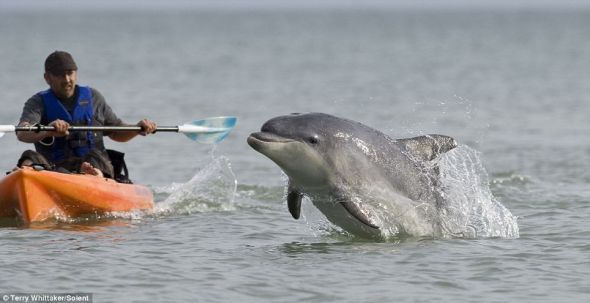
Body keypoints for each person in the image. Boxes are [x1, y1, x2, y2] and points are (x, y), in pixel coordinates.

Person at [16, 50, 157, 179]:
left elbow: (116, 131)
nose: (66, 79)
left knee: (95, 157)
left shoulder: (93, 98)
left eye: (70, 73)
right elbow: (22, 133)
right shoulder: (37, 103)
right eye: (60, 74)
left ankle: (96, 176)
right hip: (56, 171)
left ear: (76, 73)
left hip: (93, 164)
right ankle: (29, 180)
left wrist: (137, 129)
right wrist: (48, 131)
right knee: (28, 157)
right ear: (47, 78)